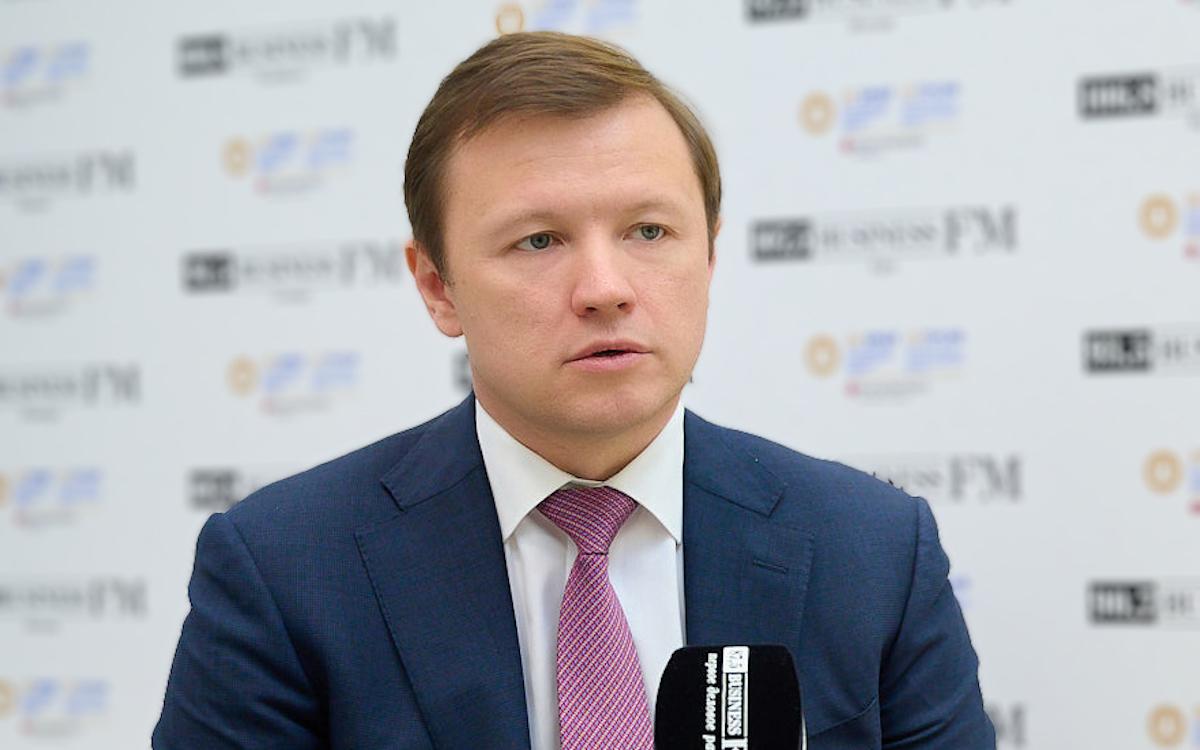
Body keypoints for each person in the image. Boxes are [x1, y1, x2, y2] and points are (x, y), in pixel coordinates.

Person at [153, 31, 995, 750]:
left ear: (708, 256)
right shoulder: (285, 572)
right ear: (437, 286)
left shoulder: (874, 553)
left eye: (648, 231)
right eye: (539, 240)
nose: (605, 288)